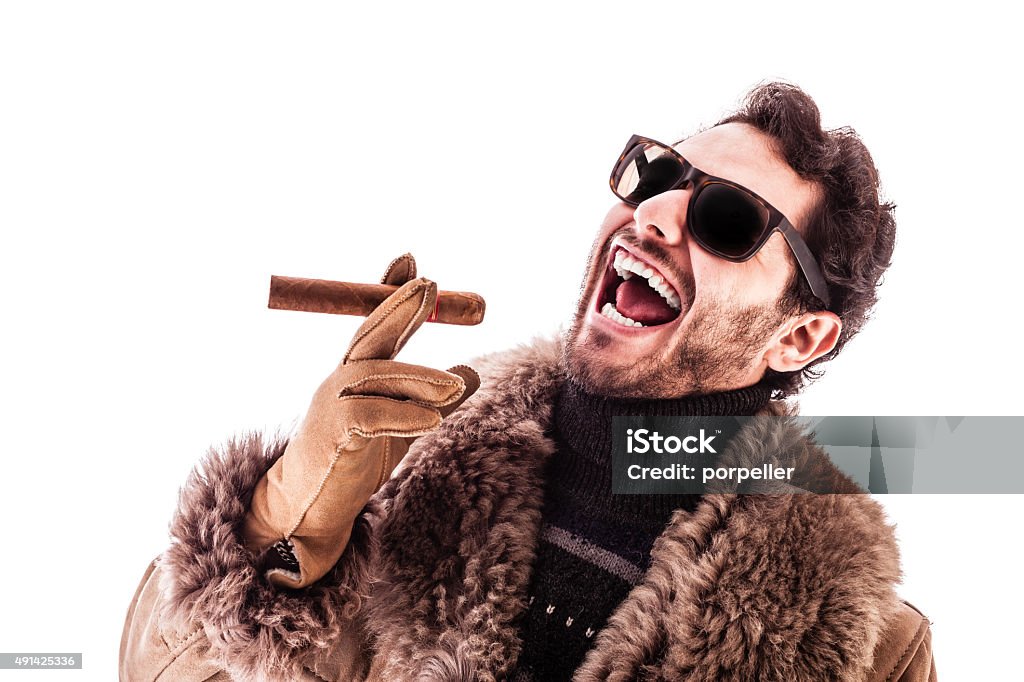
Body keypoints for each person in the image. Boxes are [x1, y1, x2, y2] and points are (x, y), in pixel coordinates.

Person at [120, 82, 936, 681]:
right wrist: (281, 529)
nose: (654, 217)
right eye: (657, 177)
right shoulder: (399, 485)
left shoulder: (876, 654)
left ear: (798, 336)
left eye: (728, 221)